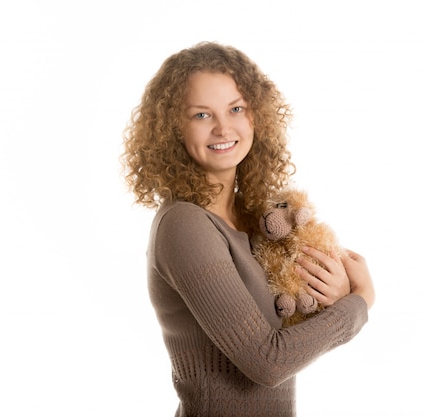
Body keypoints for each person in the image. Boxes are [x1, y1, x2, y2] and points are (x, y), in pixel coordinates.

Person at [121, 41, 375, 417]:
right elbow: (267, 361)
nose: (224, 127)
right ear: (173, 127)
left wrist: (331, 296)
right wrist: (361, 301)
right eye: (202, 115)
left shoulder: (253, 221)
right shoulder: (185, 225)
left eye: (236, 108)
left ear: (256, 115)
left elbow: (286, 333)